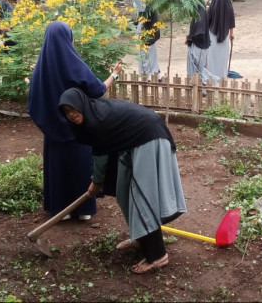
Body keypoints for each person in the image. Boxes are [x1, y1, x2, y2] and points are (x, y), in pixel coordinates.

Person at [58, 87, 187, 274]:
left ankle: (158, 256)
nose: (72, 115)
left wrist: (96, 181)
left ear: (82, 105)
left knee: (142, 195)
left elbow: (101, 156)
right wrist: (101, 180)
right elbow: (106, 151)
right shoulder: (92, 115)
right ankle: (141, 236)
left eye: (74, 109)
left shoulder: (95, 122)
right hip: (132, 140)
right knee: (124, 190)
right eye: (67, 112)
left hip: (149, 137)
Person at [28, 21, 122, 220]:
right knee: (80, 167)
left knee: (58, 169)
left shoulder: (39, 71)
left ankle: (60, 212)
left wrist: (50, 123)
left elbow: (33, 104)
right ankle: (83, 210)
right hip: (78, 130)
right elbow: (98, 90)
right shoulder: (74, 65)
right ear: (67, 38)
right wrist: (114, 74)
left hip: (53, 135)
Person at [206, 0, 235, 82]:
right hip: (225, 36)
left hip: (212, 35)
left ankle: (212, 76)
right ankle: (222, 76)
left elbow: (208, 21)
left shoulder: (212, 6)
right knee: (222, 56)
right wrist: (231, 34)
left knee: (212, 56)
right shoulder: (229, 6)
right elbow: (231, 22)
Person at [185, 0, 217, 86]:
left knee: (198, 70)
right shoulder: (197, 15)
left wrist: (191, 38)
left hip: (199, 47)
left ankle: (212, 84)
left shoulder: (200, 16)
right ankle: (201, 88)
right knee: (195, 69)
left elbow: (199, 33)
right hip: (197, 46)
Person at [134, 0, 162, 81]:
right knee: (147, 58)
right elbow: (140, 22)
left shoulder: (150, 10)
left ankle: (151, 77)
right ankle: (157, 77)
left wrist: (148, 38)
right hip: (141, 37)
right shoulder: (142, 10)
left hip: (149, 38)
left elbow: (152, 25)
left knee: (149, 59)